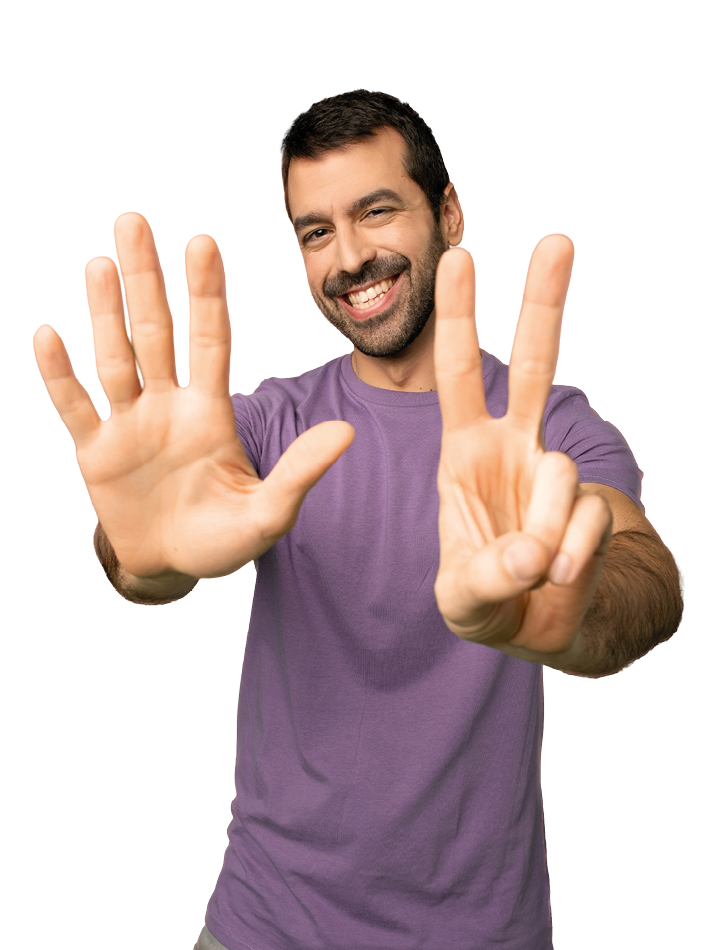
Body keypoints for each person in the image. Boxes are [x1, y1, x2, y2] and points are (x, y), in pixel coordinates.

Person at [33, 90, 684, 950]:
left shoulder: (544, 431)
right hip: (263, 924)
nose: (347, 257)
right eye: (314, 231)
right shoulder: (267, 425)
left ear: (446, 211)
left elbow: (643, 576)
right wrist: (140, 556)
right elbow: (148, 556)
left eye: (376, 211)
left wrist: (565, 614)